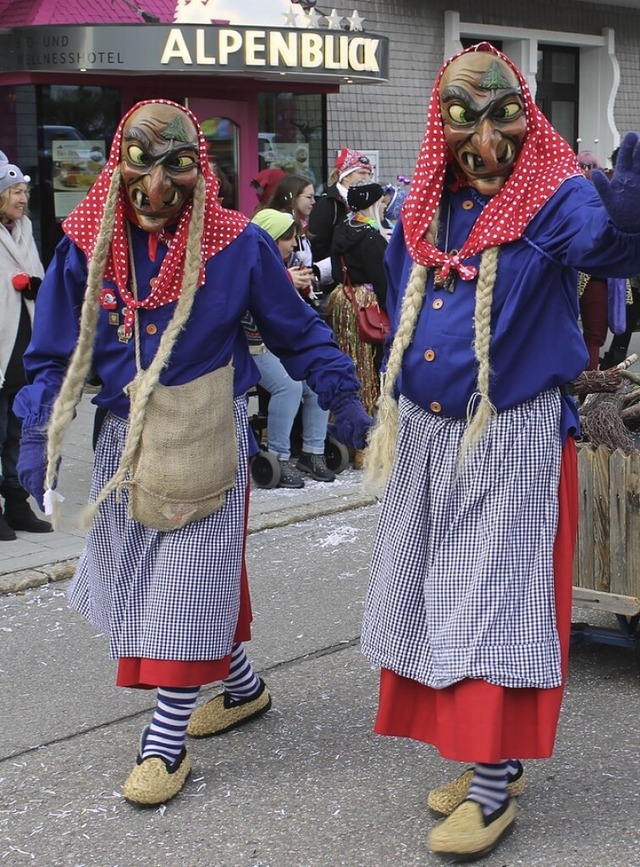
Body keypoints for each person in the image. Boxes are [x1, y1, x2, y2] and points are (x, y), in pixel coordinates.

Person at [13, 99, 371, 807]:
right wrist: (40, 437)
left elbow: (297, 332)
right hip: (125, 441)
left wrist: (343, 396)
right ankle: (241, 687)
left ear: (198, 168)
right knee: (147, 586)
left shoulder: (237, 244)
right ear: (118, 167)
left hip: (212, 432)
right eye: (140, 167)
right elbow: (54, 355)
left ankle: (163, 740)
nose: (155, 189)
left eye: (175, 166)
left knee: (183, 588)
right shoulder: (83, 245)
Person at [360, 43, 640, 860]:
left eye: (503, 116)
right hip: (425, 435)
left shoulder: (555, 199)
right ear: (437, 128)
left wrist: (628, 180)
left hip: (509, 432)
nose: (486, 142)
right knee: (432, 591)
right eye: (464, 120)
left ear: (527, 116)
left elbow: (615, 248)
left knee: (494, 604)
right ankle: (496, 757)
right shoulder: (424, 207)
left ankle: (490, 786)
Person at [244, 208, 335, 486]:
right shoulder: (247, 263)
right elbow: (247, 302)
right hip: (252, 347)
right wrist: (285, 281)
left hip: (278, 346)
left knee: (317, 381)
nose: (294, 245)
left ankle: (313, 452)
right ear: (271, 240)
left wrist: (305, 290)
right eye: (288, 239)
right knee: (289, 386)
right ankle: (278, 457)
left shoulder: (287, 266)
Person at [0, 151, 51, 541]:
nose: (22, 199)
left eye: (23, 192)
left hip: (23, 348)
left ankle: (17, 506)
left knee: (18, 432)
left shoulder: (26, 230)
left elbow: (38, 280)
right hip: (1, 345)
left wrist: (33, 286)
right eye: (14, 192)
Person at [329, 181, 390, 421]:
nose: (384, 208)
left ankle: (344, 417)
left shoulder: (342, 229)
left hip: (344, 300)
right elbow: (382, 280)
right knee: (369, 366)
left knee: (348, 358)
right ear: (371, 204)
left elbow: (336, 270)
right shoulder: (371, 237)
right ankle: (367, 424)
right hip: (367, 306)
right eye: (381, 203)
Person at [266, 172, 332, 312]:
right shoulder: (282, 224)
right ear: (293, 197)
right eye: (309, 197)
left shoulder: (301, 223)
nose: (314, 202)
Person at [307, 147, 374, 283]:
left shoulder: (363, 203)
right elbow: (318, 245)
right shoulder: (328, 204)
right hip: (334, 280)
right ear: (346, 177)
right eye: (362, 173)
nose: (367, 178)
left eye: (369, 174)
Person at [575, 152, 610, 370]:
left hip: (596, 274)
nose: (585, 170)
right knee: (591, 335)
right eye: (582, 166)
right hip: (579, 271)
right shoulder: (569, 191)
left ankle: (586, 387)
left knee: (594, 336)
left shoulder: (603, 193)